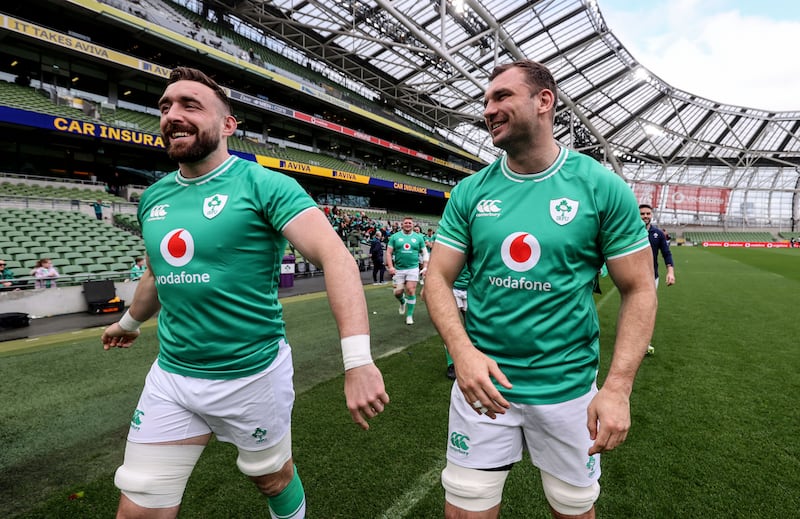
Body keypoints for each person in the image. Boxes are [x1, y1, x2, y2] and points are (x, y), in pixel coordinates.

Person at [100, 67, 389, 519]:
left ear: (229, 124)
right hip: (172, 378)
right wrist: (129, 322)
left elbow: (337, 258)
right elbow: (157, 274)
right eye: (165, 106)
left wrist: (357, 360)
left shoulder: (265, 185)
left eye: (190, 105)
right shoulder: (153, 198)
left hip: (251, 376)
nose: (173, 115)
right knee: (141, 497)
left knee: (271, 477)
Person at [424, 60, 657, 519]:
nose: (488, 110)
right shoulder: (471, 191)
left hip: (569, 391)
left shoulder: (601, 187)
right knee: (464, 509)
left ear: (544, 101)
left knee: (573, 510)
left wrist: (617, 389)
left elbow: (639, 289)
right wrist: (462, 351)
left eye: (501, 97)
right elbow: (437, 276)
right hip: (484, 390)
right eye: (485, 101)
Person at [639, 203, 675, 355]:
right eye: (642, 214)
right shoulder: (630, 232)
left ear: (651, 215)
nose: (645, 216)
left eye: (648, 213)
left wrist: (670, 272)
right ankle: (630, 339)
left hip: (652, 277)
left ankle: (644, 342)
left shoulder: (658, 234)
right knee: (632, 309)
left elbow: (666, 253)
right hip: (631, 277)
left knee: (648, 308)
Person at [385, 216, 428, 325]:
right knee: (398, 292)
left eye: (410, 223)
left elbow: (425, 253)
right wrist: (391, 267)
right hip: (399, 269)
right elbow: (389, 253)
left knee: (410, 290)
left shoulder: (418, 238)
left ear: (413, 225)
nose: (408, 224)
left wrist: (425, 266)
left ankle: (409, 316)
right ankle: (402, 302)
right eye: (406, 223)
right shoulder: (395, 237)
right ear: (402, 225)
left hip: (413, 268)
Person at [444, 263, 470, 381]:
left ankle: (471, 359)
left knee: (473, 328)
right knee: (451, 328)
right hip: (453, 288)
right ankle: (452, 364)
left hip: (472, 288)